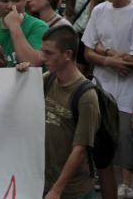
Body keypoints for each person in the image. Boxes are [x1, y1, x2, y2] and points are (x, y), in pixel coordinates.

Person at [82, 0, 133, 198]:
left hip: (127, 93)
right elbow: (87, 51)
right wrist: (107, 57)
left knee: (126, 152)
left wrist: (103, 52)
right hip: (101, 89)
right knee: (103, 154)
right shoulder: (98, 10)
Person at [37, 25, 100, 199]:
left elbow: (80, 149)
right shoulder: (48, 79)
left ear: (68, 55)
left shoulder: (86, 96)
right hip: (47, 184)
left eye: (49, 53)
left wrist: (57, 190)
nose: (42, 58)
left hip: (73, 191)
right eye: (42, 51)